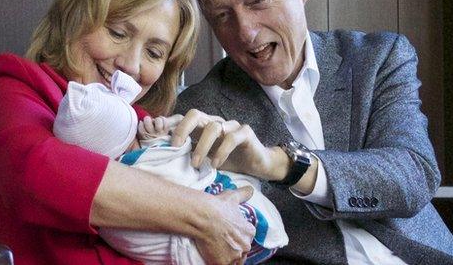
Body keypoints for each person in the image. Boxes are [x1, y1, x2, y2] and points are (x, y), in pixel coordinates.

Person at [172, 0, 453, 264]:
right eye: (223, 15)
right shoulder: (199, 111)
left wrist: (282, 165)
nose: (246, 33)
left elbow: (413, 173)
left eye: (258, 2)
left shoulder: (378, 59)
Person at [0, 0, 258, 265]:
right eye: (118, 32)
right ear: (74, 16)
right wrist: (206, 215)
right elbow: (39, 174)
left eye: (154, 53)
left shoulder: (144, 124)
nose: (131, 65)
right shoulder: (15, 84)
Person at [52, 69, 288, 264]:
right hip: (196, 243)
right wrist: (161, 138)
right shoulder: (134, 166)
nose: (132, 65)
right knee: (246, 206)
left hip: (201, 234)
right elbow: (169, 159)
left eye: (154, 52)